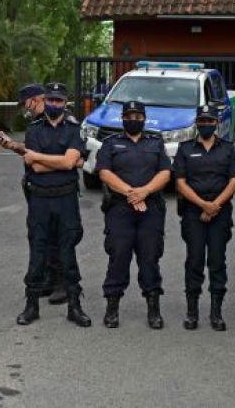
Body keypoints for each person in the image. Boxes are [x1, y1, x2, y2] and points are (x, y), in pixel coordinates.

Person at [15, 82, 91, 327]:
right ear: (44, 100)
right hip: (40, 200)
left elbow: (68, 163)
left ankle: (74, 306)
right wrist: (60, 161)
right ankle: (31, 306)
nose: (54, 104)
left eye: (59, 100)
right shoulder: (34, 130)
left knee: (67, 252)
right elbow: (36, 167)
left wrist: (39, 156)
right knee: (37, 251)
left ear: (65, 103)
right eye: (51, 100)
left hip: (66, 200)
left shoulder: (74, 129)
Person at [94, 100, 171, 329]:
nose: (133, 120)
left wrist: (145, 191)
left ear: (144, 119)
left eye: (138, 117)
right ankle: (112, 307)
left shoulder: (156, 142)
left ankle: (153, 309)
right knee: (118, 256)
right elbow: (104, 173)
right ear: (123, 118)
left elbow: (165, 172)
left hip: (151, 208)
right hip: (120, 209)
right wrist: (131, 193)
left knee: (150, 258)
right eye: (129, 116)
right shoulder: (111, 143)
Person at [173, 105, 235, 331]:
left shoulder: (228, 148)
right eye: (202, 121)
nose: (205, 124)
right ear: (197, 123)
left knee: (217, 261)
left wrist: (214, 206)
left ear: (216, 123)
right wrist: (203, 205)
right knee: (194, 261)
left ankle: (216, 313)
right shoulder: (185, 149)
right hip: (193, 212)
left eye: (209, 121)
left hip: (220, 212)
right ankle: (192, 312)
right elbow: (180, 183)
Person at [0, 83, 68, 306]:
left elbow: (63, 160)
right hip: (36, 187)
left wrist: (34, 160)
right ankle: (49, 278)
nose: (24, 108)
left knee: (57, 236)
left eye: (25, 104)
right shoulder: (36, 124)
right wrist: (13, 146)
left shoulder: (62, 122)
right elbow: (30, 152)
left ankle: (62, 283)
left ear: (36, 99)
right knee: (40, 236)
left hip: (56, 188)